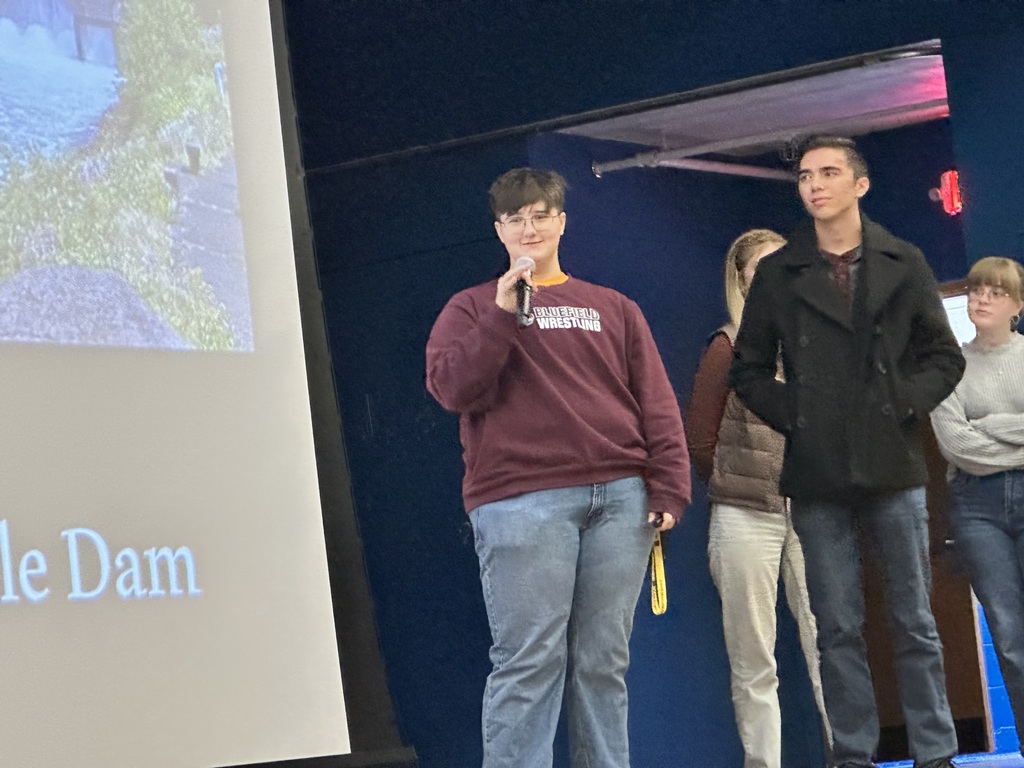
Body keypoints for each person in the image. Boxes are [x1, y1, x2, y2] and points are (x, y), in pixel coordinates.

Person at [425, 167, 690, 768]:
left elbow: (656, 401)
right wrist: (501, 314)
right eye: (515, 218)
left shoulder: (613, 307)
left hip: (621, 500)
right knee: (529, 661)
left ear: (562, 223)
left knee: (605, 663)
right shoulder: (469, 308)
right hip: (522, 501)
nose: (529, 227)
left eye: (540, 214)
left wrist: (670, 486)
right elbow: (451, 389)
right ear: (499, 231)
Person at [728, 135, 966, 768]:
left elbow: (945, 356)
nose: (814, 185)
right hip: (817, 469)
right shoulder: (780, 273)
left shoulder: (904, 259)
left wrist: (901, 403)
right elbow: (746, 371)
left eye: (829, 173)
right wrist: (798, 417)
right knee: (835, 626)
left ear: (860, 185)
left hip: (893, 460)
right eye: (805, 176)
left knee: (914, 617)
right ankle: (854, 754)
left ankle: (936, 751)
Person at [686, 228, 831, 768]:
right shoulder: (727, 344)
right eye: (759, 267)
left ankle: (852, 758)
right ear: (741, 278)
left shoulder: (819, 338)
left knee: (831, 648)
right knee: (754, 661)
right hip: (745, 515)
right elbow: (700, 438)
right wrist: (736, 484)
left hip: (815, 512)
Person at [930, 256, 1024, 758]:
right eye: (976, 290)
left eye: (996, 292)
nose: (982, 298)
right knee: (1009, 633)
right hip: (977, 506)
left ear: (1017, 305)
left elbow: (974, 434)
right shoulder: (951, 367)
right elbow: (956, 445)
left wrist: (987, 426)